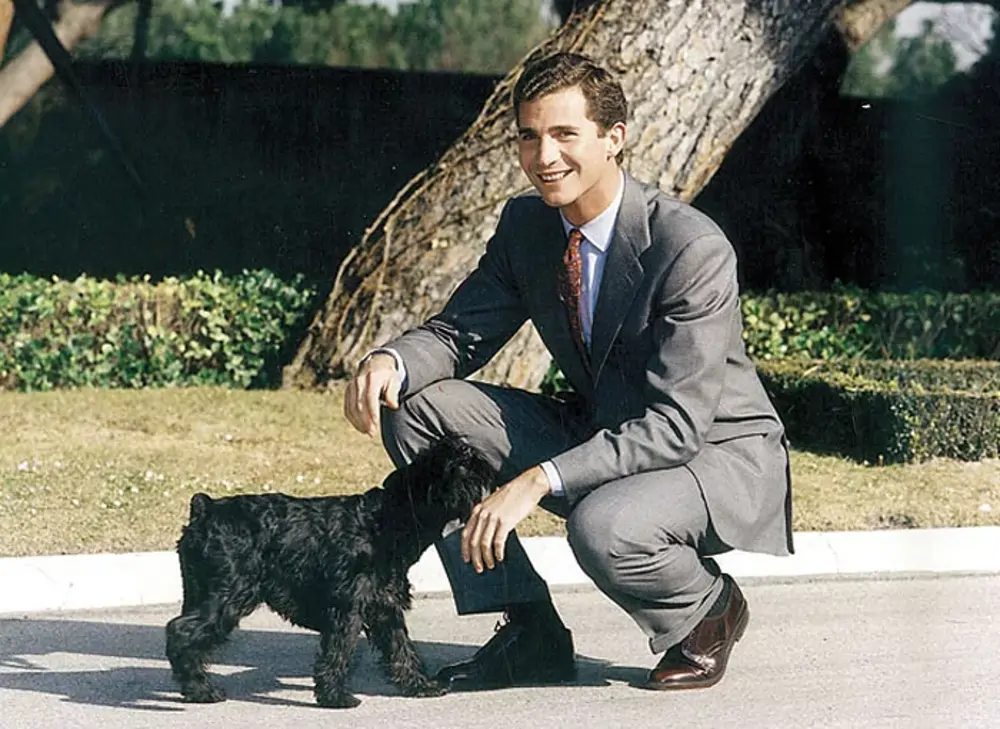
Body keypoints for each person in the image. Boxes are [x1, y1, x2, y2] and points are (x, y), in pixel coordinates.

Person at [344, 51, 793, 692]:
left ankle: (705, 608)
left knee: (604, 526)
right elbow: (458, 333)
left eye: (564, 134)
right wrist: (391, 359)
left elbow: (675, 423)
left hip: (713, 453)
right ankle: (530, 633)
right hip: (602, 428)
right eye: (529, 135)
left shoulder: (689, 247)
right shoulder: (527, 225)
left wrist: (535, 480)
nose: (543, 155)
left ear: (614, 139)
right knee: (417, 412)